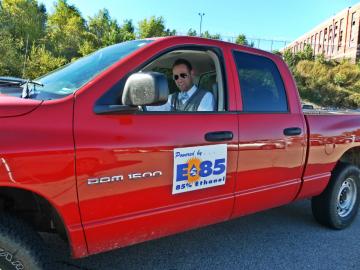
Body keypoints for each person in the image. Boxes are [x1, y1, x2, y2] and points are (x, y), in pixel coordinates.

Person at [147, 58, 215, 111]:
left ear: (191, 74)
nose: (179, 80)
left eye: (183, 75)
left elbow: (203, 124)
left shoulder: (206, 96)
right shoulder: (171, 98)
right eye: (176, 77)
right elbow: (154, 109)